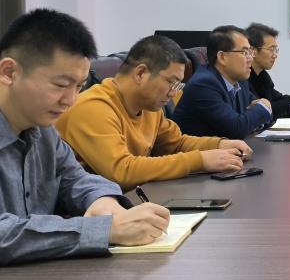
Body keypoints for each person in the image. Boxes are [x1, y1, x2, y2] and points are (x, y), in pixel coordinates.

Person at [0, 9, 170, 280]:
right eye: (61, 85)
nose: (70, 100)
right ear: (9, 72)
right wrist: (103, 230)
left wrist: (103, 201)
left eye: (79, 86)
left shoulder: (40, 125)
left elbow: (74, 178)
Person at [57, 35, 253, 192]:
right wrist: (199, 160)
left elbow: (176, 143)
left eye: (178, 85)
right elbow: (121, 170)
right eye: (171, 82)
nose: (174, 93)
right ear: (141, 73)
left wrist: (219, 144)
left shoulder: (149, 107)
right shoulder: (93, 107)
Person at [172, 25, 272, 139]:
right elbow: (237, 129)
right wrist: (264, 105)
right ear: (222, 57)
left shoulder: (240, 81)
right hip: (199, 149)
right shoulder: (203, 85)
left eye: (250, 52)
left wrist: (260, 111)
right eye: (245, 52)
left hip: (228, 148)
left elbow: (260, 115)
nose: (251, 58)